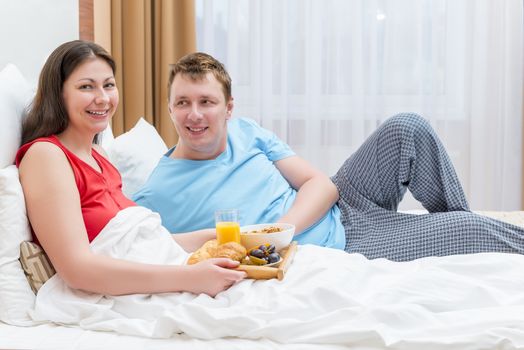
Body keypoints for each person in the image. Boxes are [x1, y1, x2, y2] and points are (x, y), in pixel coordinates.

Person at [133, 52, 524, 262]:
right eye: (182, 103)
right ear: (169, 110)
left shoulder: (246, 131)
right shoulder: (158, 191)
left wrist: (280, 231)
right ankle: (458, 232)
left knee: (407, 128)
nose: (195, 115)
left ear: (228, 108)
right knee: (469, 232)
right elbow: (141, 243)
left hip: (344, 201)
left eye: (207, 102)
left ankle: (454, 226)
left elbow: (321, 184)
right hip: (345, 240)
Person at [16, 40, 246, 297]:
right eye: (86, 87)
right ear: (59, 94)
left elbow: (137, 242)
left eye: (108, 85)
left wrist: (224, 236)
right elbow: (77, 269)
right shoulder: (46, 156)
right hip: (120, 291)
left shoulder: (99, 154)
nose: (102, 98)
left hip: (165, 268)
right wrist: (190, 278)